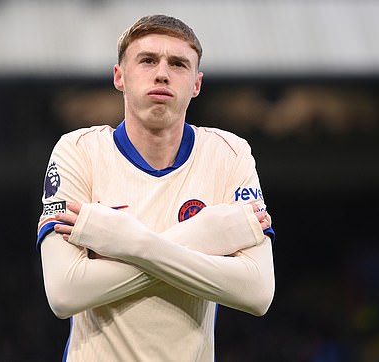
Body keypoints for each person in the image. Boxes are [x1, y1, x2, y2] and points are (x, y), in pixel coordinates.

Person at [36, 14, 275, 361]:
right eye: (147, 60)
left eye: (178, 64)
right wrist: (208, 233)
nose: (162, 72)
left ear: (196, 84)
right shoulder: (78, 151)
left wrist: (126, 241)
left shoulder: (230, 154)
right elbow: (64, 292)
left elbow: (257, 292)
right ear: (119, 76)